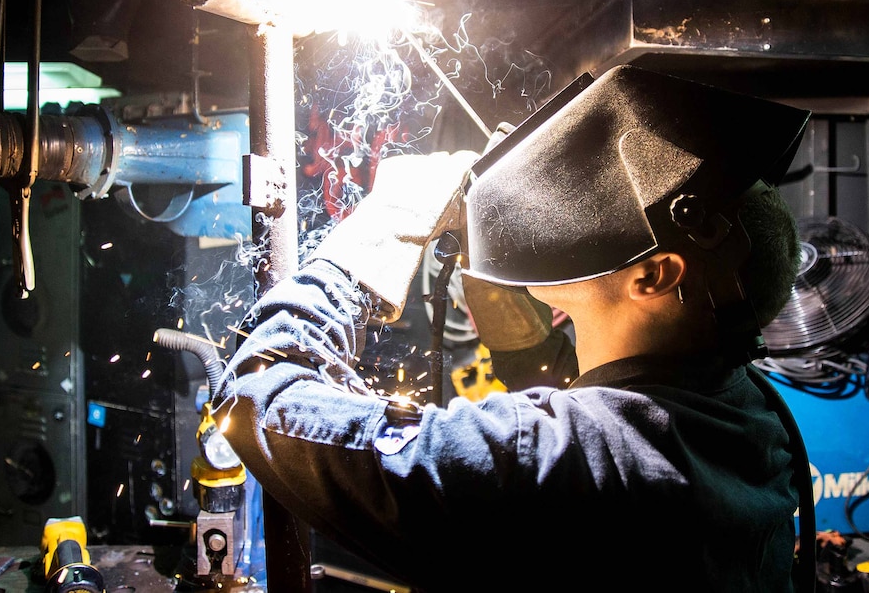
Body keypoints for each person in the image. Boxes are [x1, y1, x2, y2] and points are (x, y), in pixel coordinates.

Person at [213, 64, 815, 592]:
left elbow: (260, 402)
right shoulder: (750, 411)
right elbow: (574, 395)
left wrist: (363, 253)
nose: (571, 212)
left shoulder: (564, 458)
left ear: (655, 275)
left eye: (600, 206)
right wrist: (500, 275)